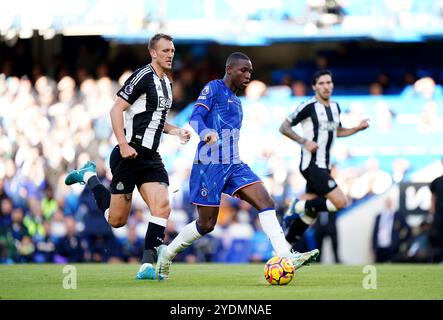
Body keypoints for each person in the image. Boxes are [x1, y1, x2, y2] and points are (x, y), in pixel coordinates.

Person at [155, 52, 319, 280]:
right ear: (230, 69)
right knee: (206, 224)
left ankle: (285, 254)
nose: (248, 75)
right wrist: (205, 133)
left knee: (265, 200)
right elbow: (195, 116)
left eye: (250, 71)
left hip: (233, 163)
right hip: (209, 164)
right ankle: (167, 253)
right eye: (243, 70)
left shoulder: (238, 103)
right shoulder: (213, 88)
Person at [64, 33, 191, 279]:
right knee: (116, 220)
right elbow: (116, 109)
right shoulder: (142, 76)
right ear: (153, 53)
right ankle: (90, 176)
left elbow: (156, 120)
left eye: (172, 51)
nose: (170, 54)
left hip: (151, 158)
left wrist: (175, 131)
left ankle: (146, 266)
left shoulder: (167, 83)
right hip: (128, 154)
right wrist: (122, 143)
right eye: (165, 51)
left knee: (162, 207)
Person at [279, 69, 369, 247]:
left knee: (311, 213)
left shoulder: (335, 107)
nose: (326, 86)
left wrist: (357, 129)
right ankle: (296, 205)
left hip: (325, 166)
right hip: (311, 164)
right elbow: (284, 127)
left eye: (329, 82)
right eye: (321, 83)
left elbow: (337, 131)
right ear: (314, 87)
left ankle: (284, 247)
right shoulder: (308, 106)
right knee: (341, 202)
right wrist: (304, 141)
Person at [429, 158, 443, 262]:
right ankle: (439, 260)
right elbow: (433, 197)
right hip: (439, 215)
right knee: (439, 237)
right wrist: (432, 210)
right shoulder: (437, 181)